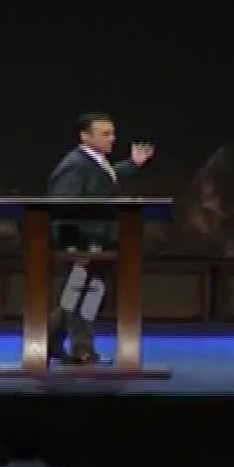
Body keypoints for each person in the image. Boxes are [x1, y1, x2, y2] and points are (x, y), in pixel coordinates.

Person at [46, 112, 154, 363]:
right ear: (85, 136)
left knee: (88, 294)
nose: (112, 139)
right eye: (105, 134)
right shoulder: (74, 165)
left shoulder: (94, 162)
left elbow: (104, 179)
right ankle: (82, 349)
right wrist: (75, 248)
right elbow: (64, 207)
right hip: (82, 245)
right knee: (79, 295)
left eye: (113, 133)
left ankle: (48, 339)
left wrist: (133, 164)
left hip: (100, 244)